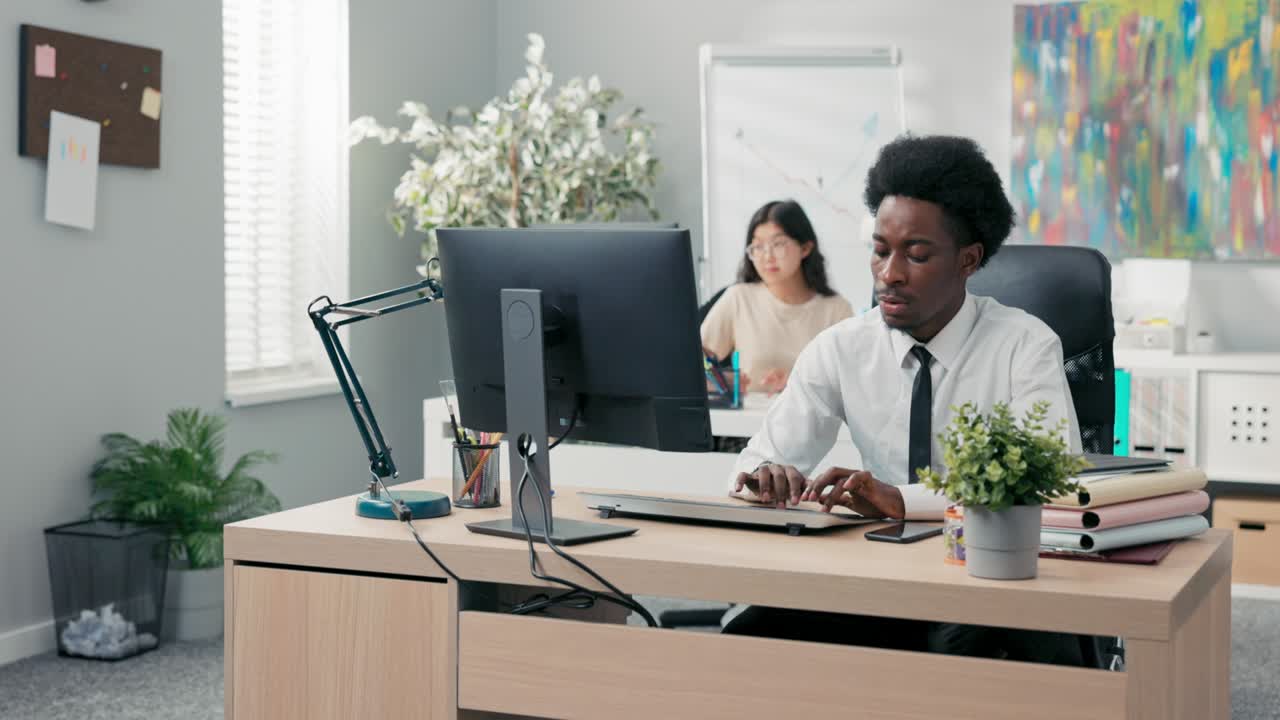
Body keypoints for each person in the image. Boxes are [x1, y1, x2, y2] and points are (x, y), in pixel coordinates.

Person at [722, 135, 1095, 667]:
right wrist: (766, 476)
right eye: (880, 250)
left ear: (968, 260)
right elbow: (758, 460)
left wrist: (904, 501)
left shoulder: (1024, 345)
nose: (889, 274)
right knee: (751, 641)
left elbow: (1051, 487)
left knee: (960, 648)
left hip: (988, 578)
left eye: (916, 255)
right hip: (879, 578)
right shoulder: (841, 347)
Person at [701, 200, 853, 395]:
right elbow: (692, 364)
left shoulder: (837, 310)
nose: (767, 256)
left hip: (811, 422)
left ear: (805, 248)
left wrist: (798, 384)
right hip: (746, 422)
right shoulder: (739, 298)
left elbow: (851, 382)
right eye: (757, 246)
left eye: (778, 244)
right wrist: (723, 381)